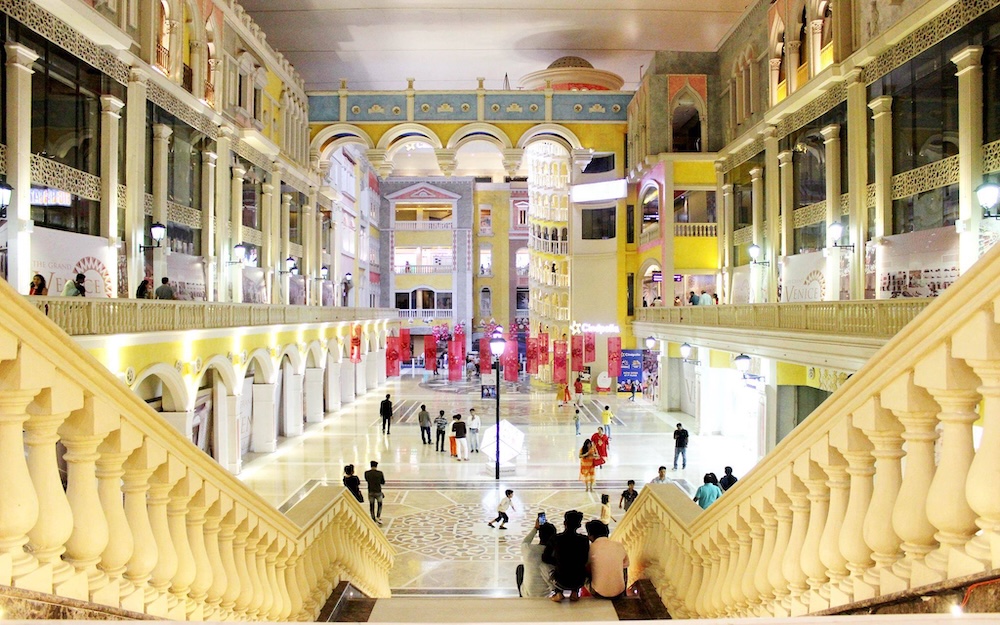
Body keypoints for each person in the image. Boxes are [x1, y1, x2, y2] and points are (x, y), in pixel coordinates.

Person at [542, 510, 590, 602]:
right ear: (579, 525)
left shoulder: (555, 538)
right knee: (578, 566)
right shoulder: (584, 540)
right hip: (579, 581)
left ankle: (558, 592)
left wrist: (558, 561)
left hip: (560, 581)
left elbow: (545, 558)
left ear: (565, 523)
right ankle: (575, 592)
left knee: (544, 566)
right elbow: (584, 560)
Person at [585, 520, 629, 599]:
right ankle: (623, 592)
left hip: (598, 593)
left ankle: (576, 594)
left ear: (590, 535)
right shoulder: (619, 545)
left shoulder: (590, 548)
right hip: (619, 592)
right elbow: (625, 566)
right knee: (623, 567)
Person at [518, 518, 557, 597]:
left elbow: (525, 542)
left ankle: (521, 596)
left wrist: (535, 528)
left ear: (539, 535)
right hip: (546, 595)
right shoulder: (555, 553)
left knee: (520, 568)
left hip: (527, 594)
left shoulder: (528, 549)